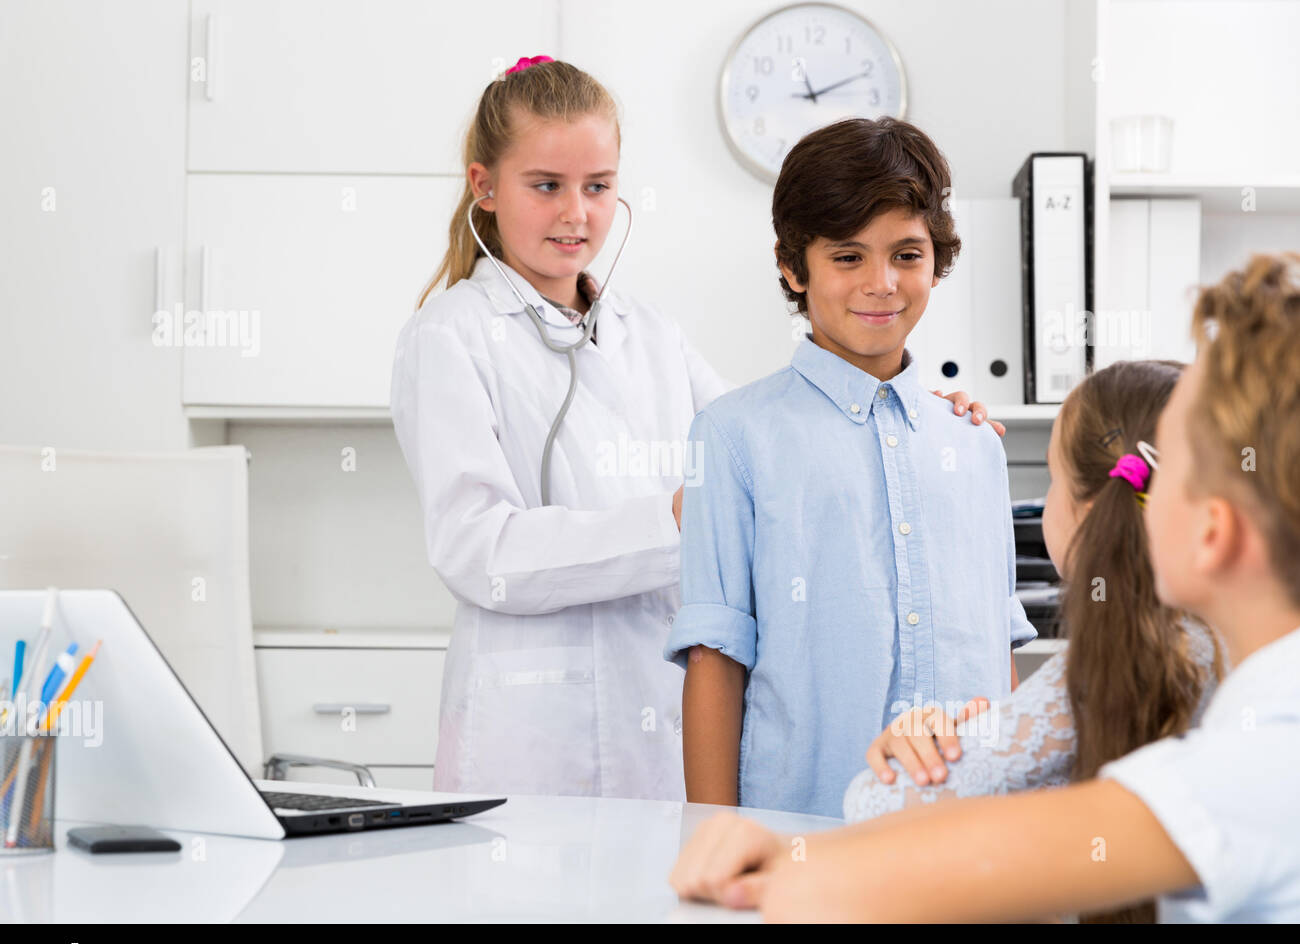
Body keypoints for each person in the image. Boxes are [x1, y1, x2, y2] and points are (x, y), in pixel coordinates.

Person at [391, 56, 1015, 800]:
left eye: (598, 186)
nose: (576, 213)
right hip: (535, 721)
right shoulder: (449, 336)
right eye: (546, 185)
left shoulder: (647, 332)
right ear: (484, 186)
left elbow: (792, 428)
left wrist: (929, 416)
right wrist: (677, 519)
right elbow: (474, 549)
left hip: (655, 716)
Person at [669, 252, 1300, 923]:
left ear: (1213, 530)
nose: (1134, 490)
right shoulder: (1249, 702)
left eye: (1163, 470)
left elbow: (915, 858)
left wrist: (788, 856)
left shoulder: (1261, 756)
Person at [663, 117, 1036, 819]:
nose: (882, 283)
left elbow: (998, 655)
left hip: (966, 836)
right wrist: (712, 844)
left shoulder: (975, 445)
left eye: (906, 253)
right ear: (792, 265)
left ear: (937, 258)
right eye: (847, 257)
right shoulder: (732, 436)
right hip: (805, 834)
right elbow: (714, 660)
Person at [843, 359, 1223, 923]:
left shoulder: (1115, 665)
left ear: (1090, 509)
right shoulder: (1219, 635)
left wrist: (946, 750)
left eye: (1052, 478)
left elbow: (873, 805)